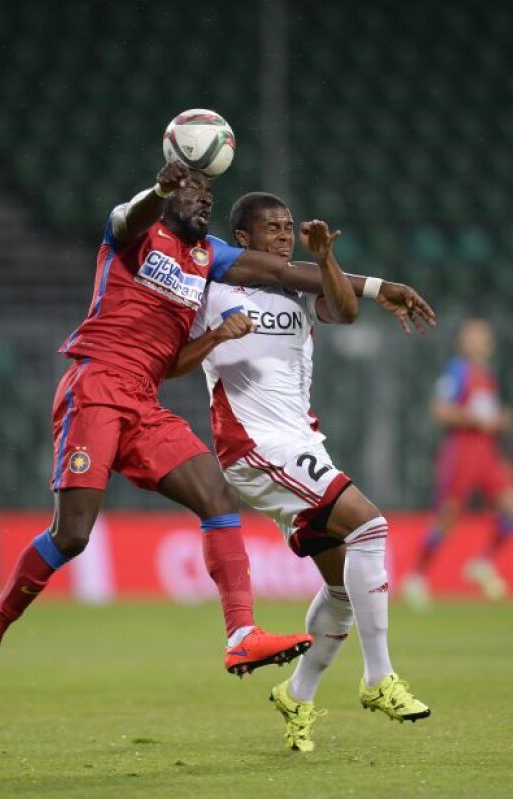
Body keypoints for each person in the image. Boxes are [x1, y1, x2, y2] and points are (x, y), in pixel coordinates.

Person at [0, 160, 434, 716]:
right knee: (73, 536)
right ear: (167, 193)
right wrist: (160, 188)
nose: (201, 199)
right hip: (96, 385)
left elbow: (287, 275)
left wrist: (382, 287)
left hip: (144, 399)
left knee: (216, 494)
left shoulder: (209, 258)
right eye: (192, 190)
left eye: (208, 193)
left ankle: (240, 635)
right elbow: (131, 214)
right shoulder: (133, 234)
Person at [170, 192, 434, 752]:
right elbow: (172, 365)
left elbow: (344, 310)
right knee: (371, 526)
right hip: (254, 445)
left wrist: (327, 258)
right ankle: (378, 677)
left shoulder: (295, 284)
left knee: (341, 588)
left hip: (300, 443)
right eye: (272, 228)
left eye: (289, 227)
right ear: (242, 239)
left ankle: (299, 691)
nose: (284, 235)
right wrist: (216, 335)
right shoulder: (211, 290)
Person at [402, 319, 513, 606]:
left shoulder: (488, 376)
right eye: (474, 336)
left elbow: (488, 416)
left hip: (487, 452)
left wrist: (498, 423)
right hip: (461, 450)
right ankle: (417, 576)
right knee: (448, 515)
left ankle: (482, 562)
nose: (479, 341)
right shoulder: (456, 372)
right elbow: (441, 411)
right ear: (463, 341)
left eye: (483, 336)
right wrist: (478, 419)